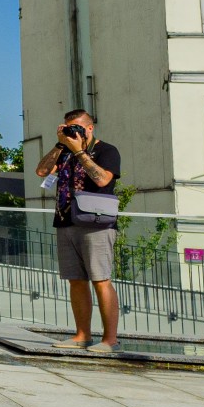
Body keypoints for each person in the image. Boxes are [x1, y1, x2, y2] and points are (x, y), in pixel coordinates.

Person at [36, 109, 122, 352]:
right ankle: (82, 335)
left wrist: (79, 152)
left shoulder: (107, 150)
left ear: (90, 128)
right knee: (76, 280)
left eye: (77, 128)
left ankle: (110, 340)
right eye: (68, 127)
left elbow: (103, 180)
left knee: (101, 279)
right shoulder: (63, 152)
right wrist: (59, 144)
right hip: (66, 220)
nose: (73, 132)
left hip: (96, 223)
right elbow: (42, 172)